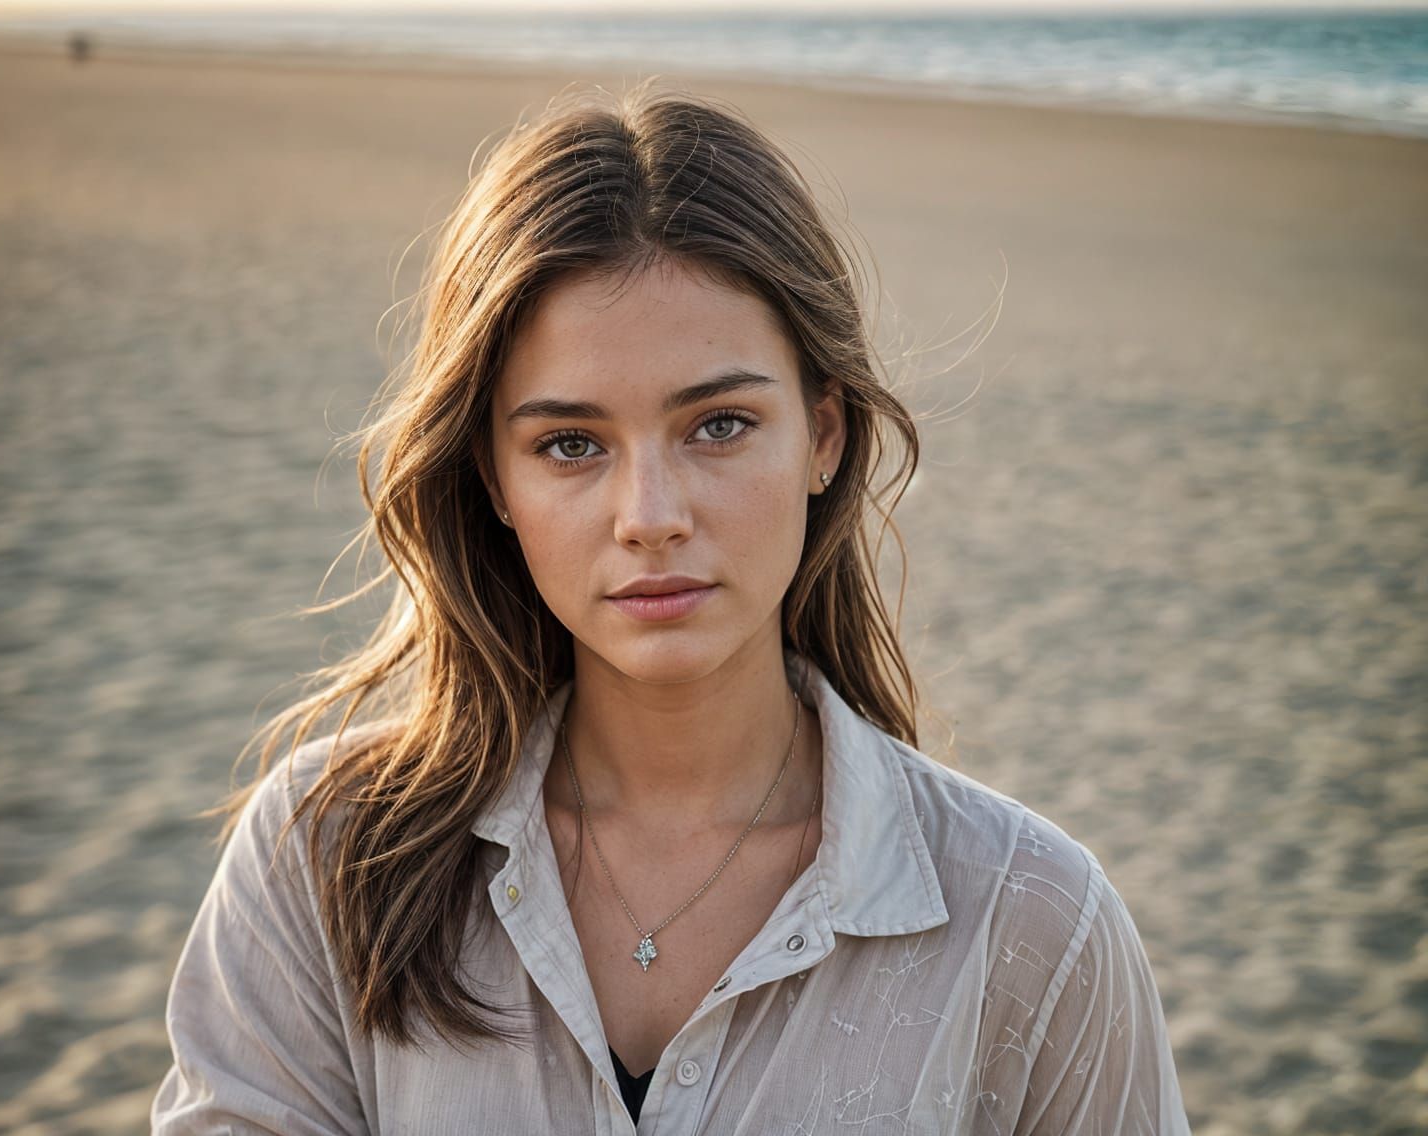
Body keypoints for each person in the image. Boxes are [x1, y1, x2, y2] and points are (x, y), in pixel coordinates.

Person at [151, 78, 1190, 1134]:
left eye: (720, 425)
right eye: (570, 443)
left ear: (823, 435)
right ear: (495, 480)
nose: (650, 515)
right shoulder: (326, 859)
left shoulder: (1032, 924)